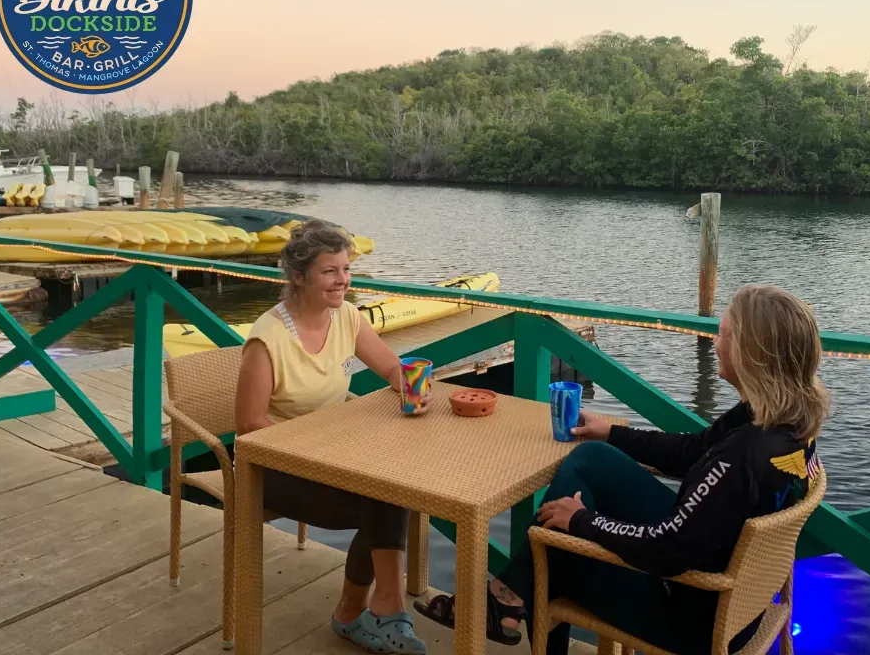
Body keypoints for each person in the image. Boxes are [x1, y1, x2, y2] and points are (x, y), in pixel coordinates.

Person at [415, 283, 830, 654]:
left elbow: (667, 548)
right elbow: (694, 451)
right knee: (592, 459)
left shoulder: (743, 456)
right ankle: (506, 599)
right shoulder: (782, 425)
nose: (715, 341)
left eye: (723, 333)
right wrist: (612, 432)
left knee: (554, 546)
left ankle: (504, 599)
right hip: (743, 600)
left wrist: (582, 522)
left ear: (752, 353)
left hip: (692, 615)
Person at [234, 219, 429, 655]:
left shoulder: (346, 317)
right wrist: (318, 449)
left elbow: (393, 369)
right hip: (275, 466)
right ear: (299, 277)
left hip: (336, 453)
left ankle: (372, 609)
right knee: (382, 496)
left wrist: (415, 388)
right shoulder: (267, 340)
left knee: (392, 486)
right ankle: (374, 611)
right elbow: (248, 426)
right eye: (330, 271)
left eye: (345, 269)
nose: (342, 280)